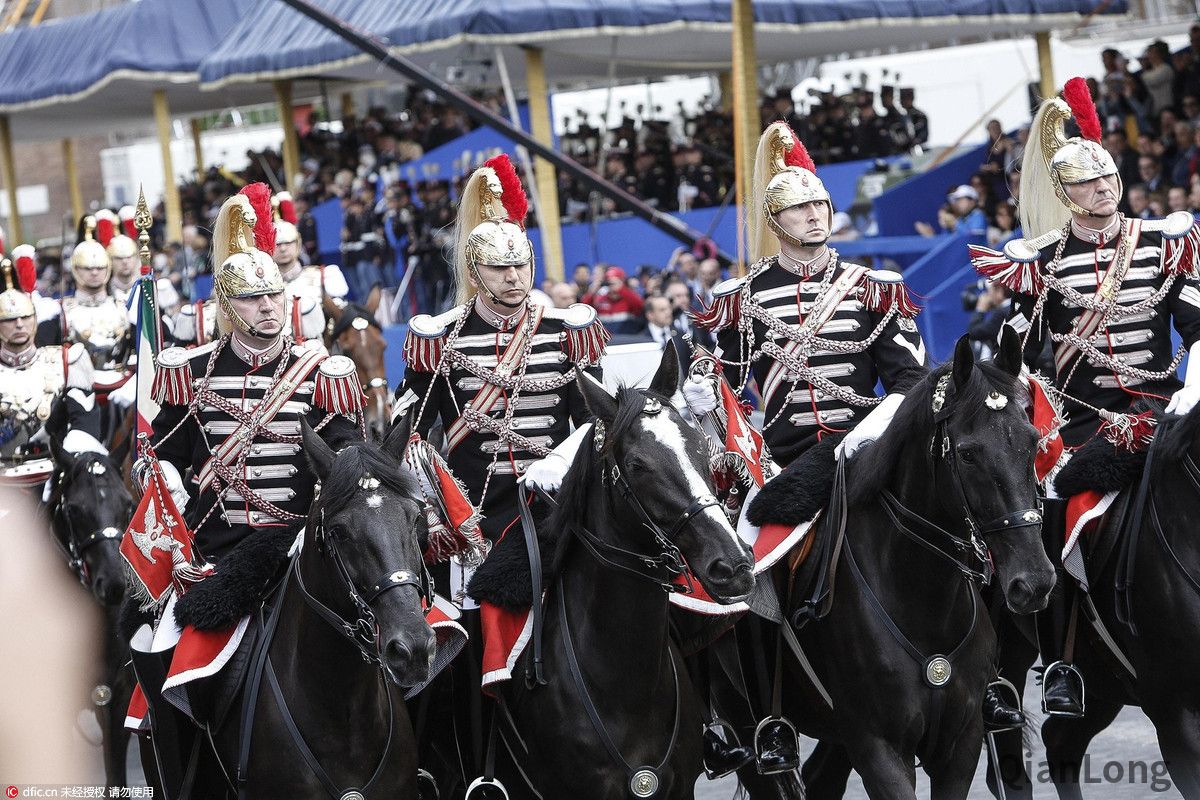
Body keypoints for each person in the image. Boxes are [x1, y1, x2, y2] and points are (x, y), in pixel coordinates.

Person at [687, 121, 927, 771]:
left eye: (820, 205)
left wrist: (880, 435)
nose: (814, 215)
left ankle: (988, 678)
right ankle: (765, 714)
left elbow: (908, 380)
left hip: (870, 447)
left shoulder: (872, 288)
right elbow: (729, 393)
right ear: (774, 218)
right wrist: (719, 420)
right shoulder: (740, 301)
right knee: (743, 564)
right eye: (798, 207)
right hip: (788, 460)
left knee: (970, 519)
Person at [970, 77, 1200, 719]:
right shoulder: (1040, 262)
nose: (1105, 189)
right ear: (1065, 193)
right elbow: (1020, 350)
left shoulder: (1162, 243)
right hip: (1087, 426)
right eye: (1090, 184)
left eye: (1110, 180)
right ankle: (1062, 660)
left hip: (1165, 413)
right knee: (1050, 513)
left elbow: (1195, 322)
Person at [130, 184, 367, 793]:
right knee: (163, 653)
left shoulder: (323, 373)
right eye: (254, 299)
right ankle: (183, 780)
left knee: (400, 632)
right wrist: (165, 488)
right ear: (229, 307)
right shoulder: (192, 371)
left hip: (302, 549)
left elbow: (347, 460)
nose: (268, 308)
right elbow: (162, 458)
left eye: (274, 296)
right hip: (219, 555)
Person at [0, 257, 101, 473]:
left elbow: (84, 419)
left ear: (35, 320)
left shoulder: (66, 361)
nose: (19, 324)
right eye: (9, 319)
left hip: (57, 471)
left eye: (25, 317)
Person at [272, 190, 349, 343]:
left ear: (298, 243)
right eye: (278, 244)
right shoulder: (261, 286)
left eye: (288, 243)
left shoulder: (323, 276)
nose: (283, 248)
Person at [58, 215, 129, 370]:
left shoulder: (123, 304)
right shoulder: (61, 311)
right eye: (88, 268)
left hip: (122, 381)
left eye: (100, 267)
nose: (95, 272)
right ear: (75, 269)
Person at [581, 265, 645, 335]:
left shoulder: (628, 298)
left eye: (615, 282)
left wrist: (621, 289)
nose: (612, 286)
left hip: (626, 339)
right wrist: (592, 293)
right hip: (606, 340)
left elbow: (640, 306)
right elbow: (583, 310)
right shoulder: (601, 299)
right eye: (609, 282)